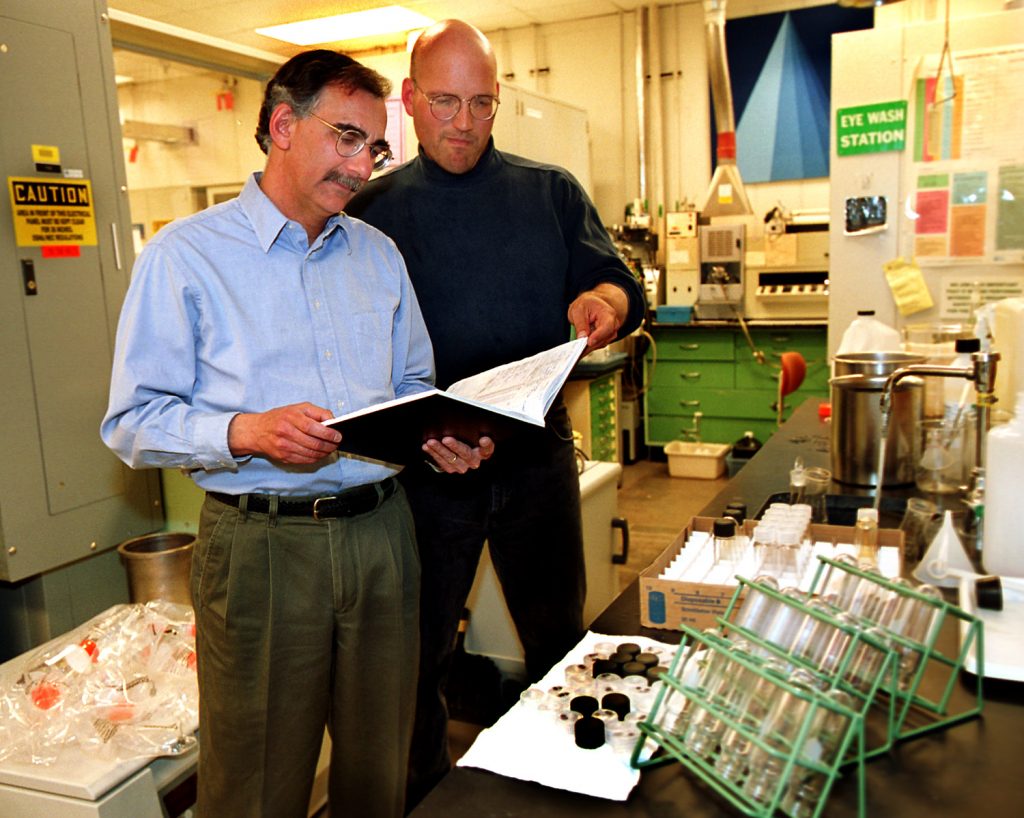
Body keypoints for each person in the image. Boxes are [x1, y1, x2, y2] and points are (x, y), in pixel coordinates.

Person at [101, 50, 491, 818]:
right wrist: (246, 431)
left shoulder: (378, 257)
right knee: (257, 781)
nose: (361, 165)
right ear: (283, 124)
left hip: (383, 535)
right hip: (262, 549)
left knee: (381, 764)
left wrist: (440, 433)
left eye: (374, 148)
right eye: (347, 137)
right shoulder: (187, 258)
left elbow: (413, 387)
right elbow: (132, 422)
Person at [346, 19, 646, 808]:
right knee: (418, 658)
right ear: (409, 101)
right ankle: (426, 797)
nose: (464, 122)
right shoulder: (372, 214)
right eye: (444, 101)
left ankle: (575, 780)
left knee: (558, 640)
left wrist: (603, 300)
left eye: (481, 103)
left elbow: (617, 280)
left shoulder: (549, 193)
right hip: (428, 476)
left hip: (533, 459)